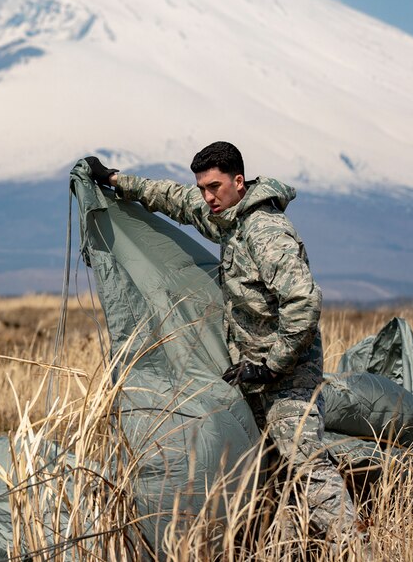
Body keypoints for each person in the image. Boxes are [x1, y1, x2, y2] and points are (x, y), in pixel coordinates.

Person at [84, 142, 360, 548]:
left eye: (215, 187)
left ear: (238, 182)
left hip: (288, 377)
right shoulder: (227, 220)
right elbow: (175, 200)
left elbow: (304, 302)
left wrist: (272, 364)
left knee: (305, 464)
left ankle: (356, 548)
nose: (208, 197)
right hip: (252, 375)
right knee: (268, 471)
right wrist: (113, 180)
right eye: (203, 188)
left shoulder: (265, 232)